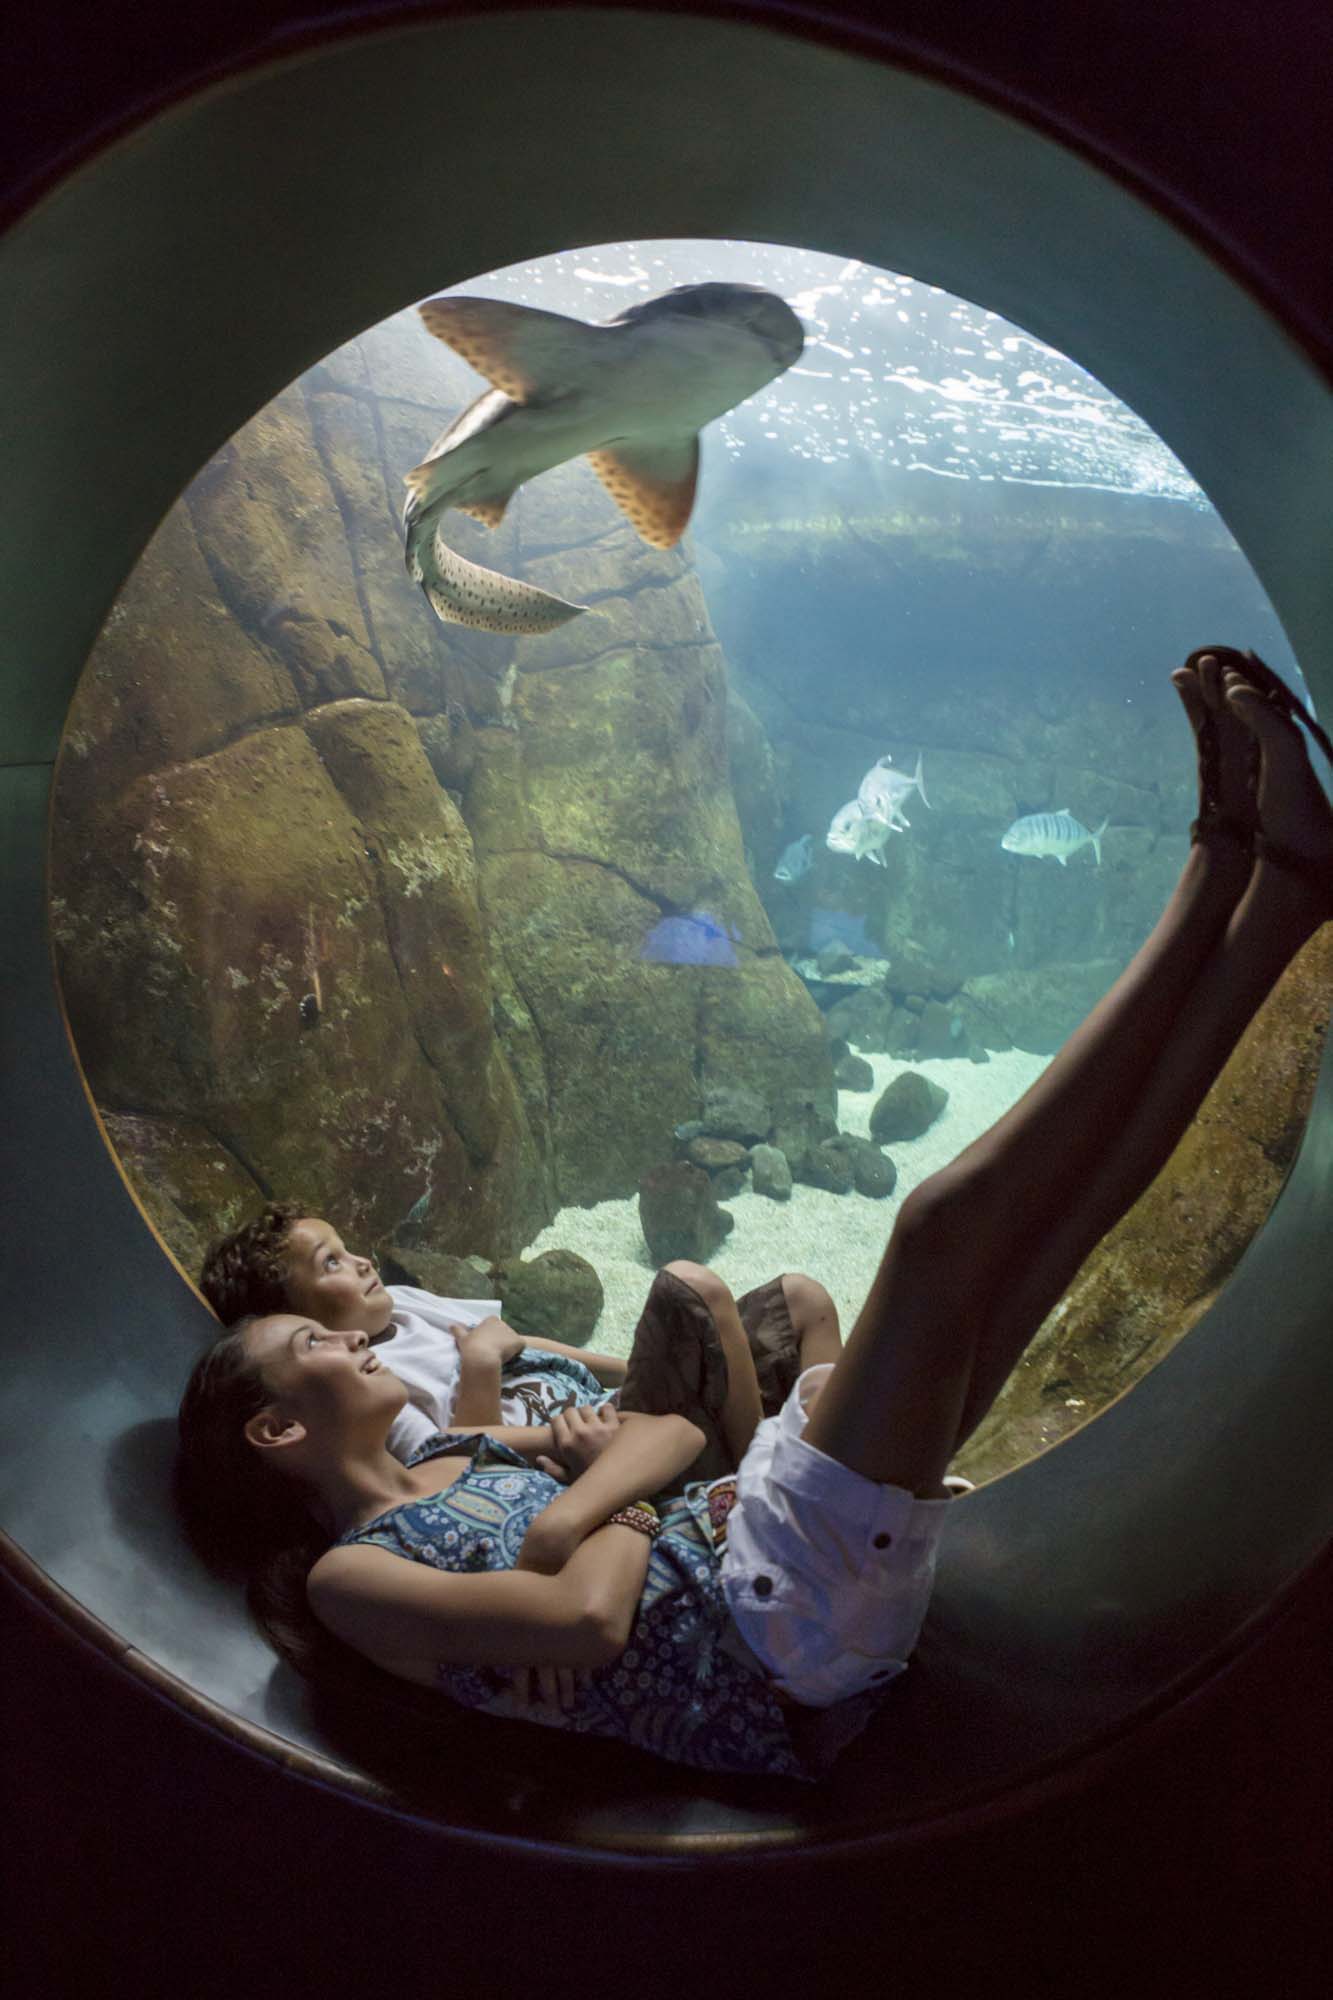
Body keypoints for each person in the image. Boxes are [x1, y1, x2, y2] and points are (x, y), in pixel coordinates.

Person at [176, 649, 1333, 1783]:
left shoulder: (465, 1451)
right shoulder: (351, 1574)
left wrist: (579, 1525)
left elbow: (663, 1446)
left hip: (751, 1532)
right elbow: (584, 1623)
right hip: (772, 1632)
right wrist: (575, 1529)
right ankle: (1216, 866)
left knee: (1057, 1227)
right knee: (936, 1230)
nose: (343, 1333)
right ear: (275, 1431)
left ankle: (1270, 897)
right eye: (308, 1342)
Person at [197, 1204, 842, 1483]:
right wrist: (478, 1363)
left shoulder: (404, 1305)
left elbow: (519, 1340)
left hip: (621, 1404)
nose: (363, 1261)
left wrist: (632, 1367)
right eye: (331, 1263)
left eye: (347, 1246)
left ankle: (818, 1459)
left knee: (803, 1297)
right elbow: (453, 1461)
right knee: (688, 1287)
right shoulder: (360, 1385)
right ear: (282, 1319)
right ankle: (770, 1484)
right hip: (603, 1450)